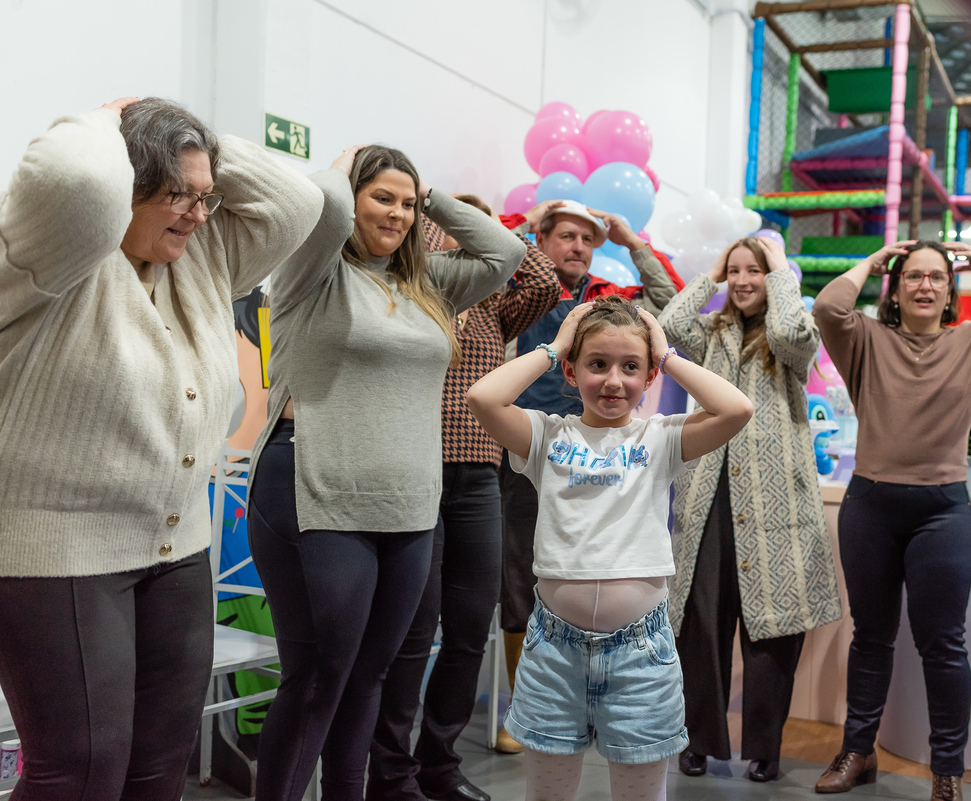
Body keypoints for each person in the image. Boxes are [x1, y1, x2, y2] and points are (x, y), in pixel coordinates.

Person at [0, 97, 322, 801]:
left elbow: (301, 199)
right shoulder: (51, 252)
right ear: (127, 180)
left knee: (160, 764)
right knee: (81, 769)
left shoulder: (201, 259)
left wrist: (191, 138)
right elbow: (77, 183)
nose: (197, 213)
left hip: (177, 553)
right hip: (60, 552)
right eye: (176, 194)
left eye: (206, 197)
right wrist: (108, 117)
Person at [247, 145, 525, 801]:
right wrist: (345, 176)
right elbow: (321, 204)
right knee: (319, 671)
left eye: (407, 203)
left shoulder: (425, 283)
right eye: (382, 198)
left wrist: (429, 197)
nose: (397, 213)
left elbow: (506, 256)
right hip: (315, 485)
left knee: (369, 674)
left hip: (408, 503)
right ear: (351, 198)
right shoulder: (311, 270)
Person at [465, 295, 754, 801]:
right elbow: (483, 399)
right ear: (573, 374)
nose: (614, 381)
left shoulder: (662, 438)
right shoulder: (546, 436)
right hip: (554, 652)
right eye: (597, 365)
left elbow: (737, 408)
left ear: (648, 378)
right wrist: (554, 348)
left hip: (640, 656)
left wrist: (669, 357)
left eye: (631, 367)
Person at [367, 195, 560, 801]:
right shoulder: (399, 293)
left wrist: (468, 214)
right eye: (441, 226)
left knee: (471, 629)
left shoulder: (494, 303)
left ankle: (438, 766)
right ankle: (390, 774)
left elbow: (543, 277)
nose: (453, 236)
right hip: (413, 473)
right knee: (413, 633)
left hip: (479, 479)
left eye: (465, 228)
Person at [811, 239, 971, 801]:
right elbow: (829, 308)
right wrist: (871, 262)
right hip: (871, 507)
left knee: (943, 644)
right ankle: (858, 753)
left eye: (936, 278)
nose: (925, 285)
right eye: (912, 277)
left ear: (950, 291)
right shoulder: (866, 342)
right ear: (895, 292)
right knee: (871, 638)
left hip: (943, 510)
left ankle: (946, 769)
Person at [494, 198, 685, 749]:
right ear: (544, 241)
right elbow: (491, 243)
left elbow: (669, 305)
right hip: (537, 446)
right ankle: (523, 700)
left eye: (586, 239)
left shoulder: (607, 297)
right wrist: (527, 221)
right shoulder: (522, 286)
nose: (577, 247)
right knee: (519, 575)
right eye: (565, 236)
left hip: (609, 449)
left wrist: (631, 242)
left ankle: (609, 700)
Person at [657, 236, 841, 783]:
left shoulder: (793, 338)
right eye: (734, 271)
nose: (742, 281)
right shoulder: (711, 334)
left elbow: (789, 331)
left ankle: (767, 747)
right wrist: (710, 276)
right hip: (708, 493)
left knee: (773, 631)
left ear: (773, 277)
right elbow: (668, 325)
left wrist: (782, 270)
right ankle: (698, 741)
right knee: (702, 625)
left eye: (752, 272)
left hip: (775, 502)